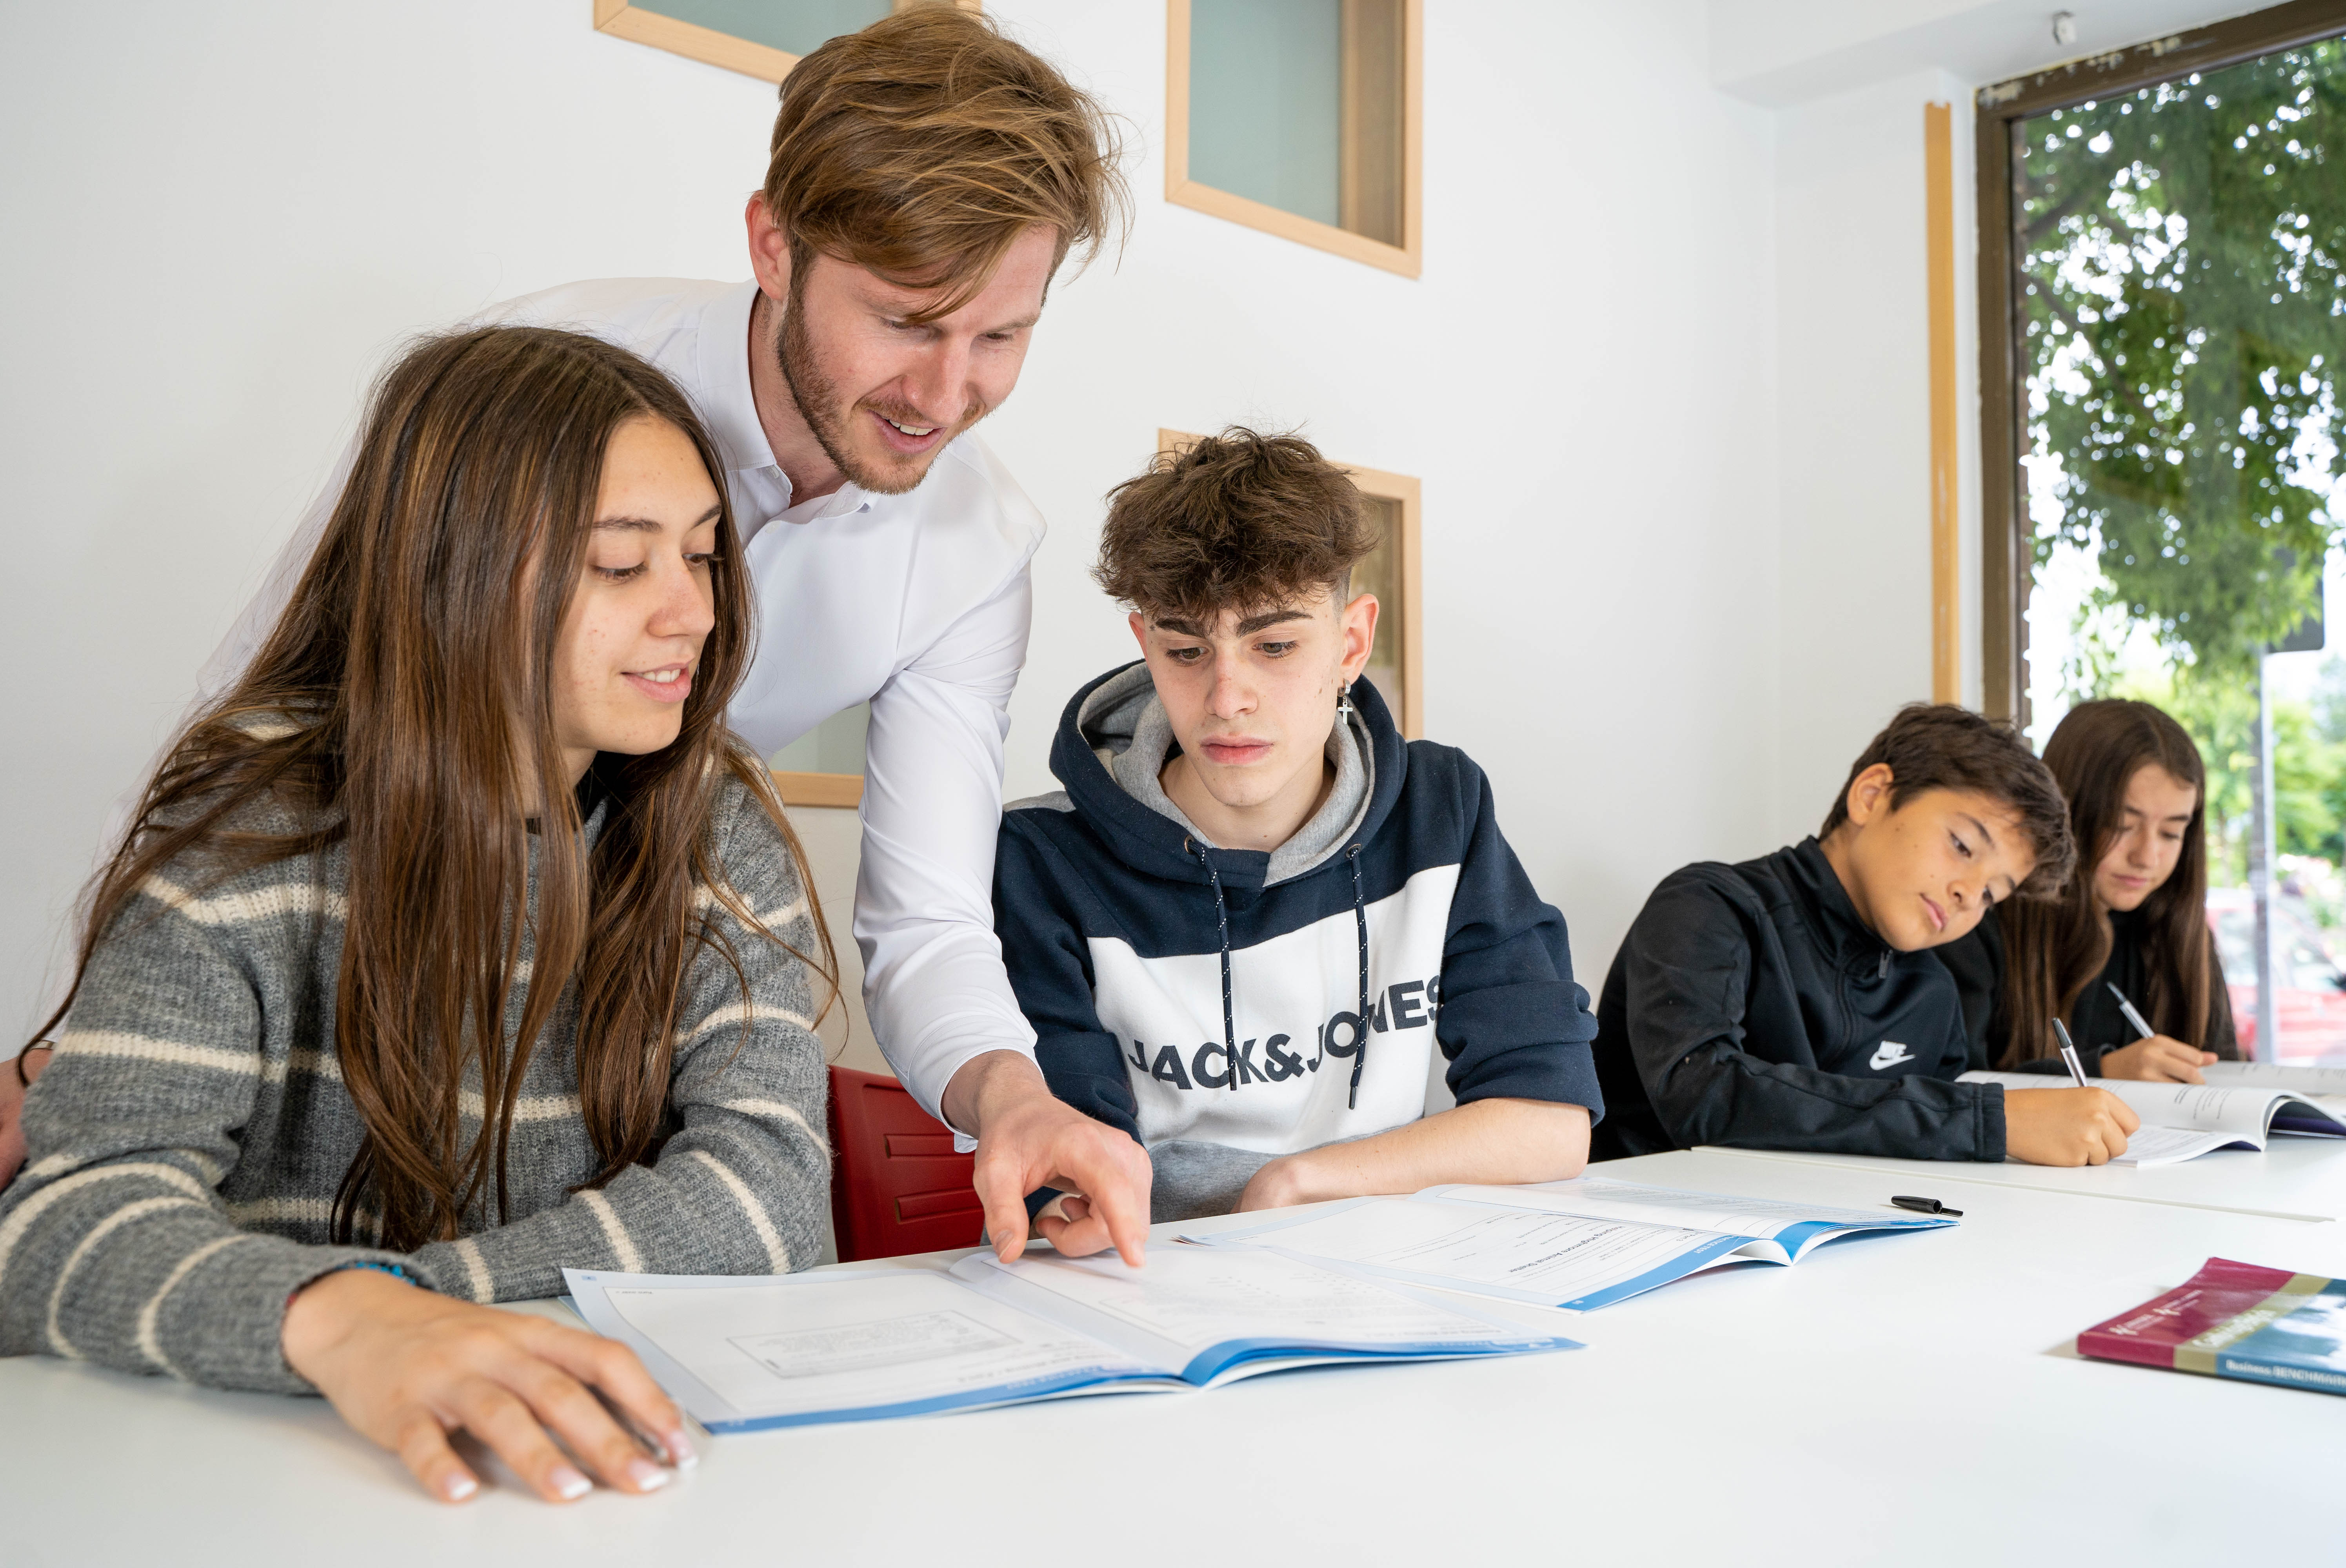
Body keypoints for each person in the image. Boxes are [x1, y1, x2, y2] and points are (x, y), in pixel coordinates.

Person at [2, 7, 1150, 1262]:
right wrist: (128, 1028)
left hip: (615, 984)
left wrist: (1013, 1100)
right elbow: (285, 710)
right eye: (906, 322)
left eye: (1001, 334)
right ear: (774, 245)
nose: (946, 397)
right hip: (383, 934)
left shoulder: (972, 547)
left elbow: (924, 919)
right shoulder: (548, 377)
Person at [0, 327, 833, 1504]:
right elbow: (58, 1230)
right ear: (457, 571)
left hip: (587, 1479)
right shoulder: (251, 829)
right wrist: (341, 1328)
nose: (689, 613)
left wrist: (408, 1310)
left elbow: (768, 1200)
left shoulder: (714, 825)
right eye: (618, 563)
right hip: (268, 1477)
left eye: (701, 557)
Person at [992, 430, 1602, 1227]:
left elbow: (1550, 1118)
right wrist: (1069, 1208)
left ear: (1351, 643)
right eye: (1185, 649)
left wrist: (1301, 1181)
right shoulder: (1041, 858)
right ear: (1145, 645)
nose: (1227, 696)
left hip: (1377, 1271)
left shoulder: (1440, 808)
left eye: (1275, 644)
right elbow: (1066, 1169)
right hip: (1152, 1284)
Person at [1592, 704, 2146, 1165]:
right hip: (1657, 1248)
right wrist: (1982, 1119)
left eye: (1991, 895)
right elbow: (1705, 1096)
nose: (1966, 895)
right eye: (1962, 846)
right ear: (1873, 795)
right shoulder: (1708, 906)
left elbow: (1929, 1131)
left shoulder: (1931, 993)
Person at [1936, 699, 2240, 1080]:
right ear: (2069, 812)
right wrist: (2103, 1074)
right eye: (2121, 824)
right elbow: (1947, 1094)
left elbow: (2224, 1073)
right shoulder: (1979, 920)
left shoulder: (2180, 935)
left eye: (2171, 833)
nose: (2147, 856)